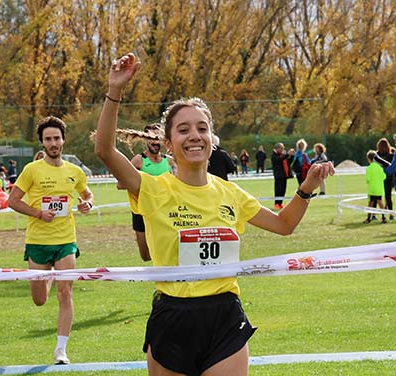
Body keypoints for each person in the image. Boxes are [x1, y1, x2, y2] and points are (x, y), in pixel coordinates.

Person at [94, 52, 334, 376]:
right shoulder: (152, 188)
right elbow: (105, 150)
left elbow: (284, 224)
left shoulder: (230, 193)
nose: (194, 135)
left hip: (224, 316)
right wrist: (115, 91)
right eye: (183, 130)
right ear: (168, 143)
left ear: (211, 138)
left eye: (202, 128)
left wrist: (306, 189)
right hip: (173, 317)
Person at [8, 116, 94, 365]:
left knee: (65, 291)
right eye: (48, 139)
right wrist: (37, 213)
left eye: (57, 138)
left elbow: (87, 194)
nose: (53, 142)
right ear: (42, 143)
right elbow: (13, 201)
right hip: (37, 241)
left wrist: (87, 203)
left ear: (63, 140)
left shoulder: (74, 172)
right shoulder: (32, 170)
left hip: (66, 240)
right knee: (39, 299)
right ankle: (45, 278)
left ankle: (61, 350)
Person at [130, 123, 174, 261]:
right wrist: (147, 184)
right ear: (145, 140)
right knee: (146, 256)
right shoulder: (138, 160)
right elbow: (121, 184)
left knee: (166, 251)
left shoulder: (170, 161)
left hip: (163, 211)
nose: (155, 142)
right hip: (141, 212)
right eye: (151, 138)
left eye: (158, 138)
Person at [364, 150, 387, 224]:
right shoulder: (380, 167)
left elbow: (368, 179)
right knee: (380, 202)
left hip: (372, 189)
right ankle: (384, 217)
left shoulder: (369, 168)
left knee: (370, 203)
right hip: (379, 188)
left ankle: (368, 218)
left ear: (369, 159)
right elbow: (384, 177)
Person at [271, 142, 295, 210]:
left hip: (284, 175)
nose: (283, 149)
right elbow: (279, 160)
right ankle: (276, 204)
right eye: (281, 148)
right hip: (278, 176)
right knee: (278, 190)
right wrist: (287, 154)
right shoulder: (274, 155)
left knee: (283, 190)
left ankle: (280, 203)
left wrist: (292, 156)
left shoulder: (283, 155)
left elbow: (288, 162)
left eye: (283, 148)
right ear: (277, 148)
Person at [376, 138, 395, 220]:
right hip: (389, 177)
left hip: (379, 178)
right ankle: (391, 214)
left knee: (377, 197)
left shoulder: (377, 155)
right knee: (388, 196)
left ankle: (377, 214)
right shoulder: (391, 155)